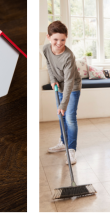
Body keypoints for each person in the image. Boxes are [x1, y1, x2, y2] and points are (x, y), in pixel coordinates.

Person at [42, 21, 82, 164]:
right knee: (61, 116)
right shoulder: (46, 49)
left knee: (69, 117)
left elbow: (70, 81)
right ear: (48, 37)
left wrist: (63, 104)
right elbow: (49, 64)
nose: (59, 43)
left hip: (72, 86)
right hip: (59, 85)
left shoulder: (68, 56)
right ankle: (63, 142)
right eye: (55, 39)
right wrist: (53, 80)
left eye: (63, 40)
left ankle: (71, 150)